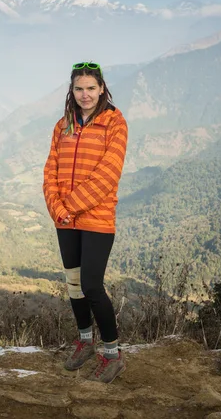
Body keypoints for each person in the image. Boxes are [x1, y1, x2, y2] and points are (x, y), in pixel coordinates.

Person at [43, 61, 128, 384]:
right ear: (72, 90)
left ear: (102, 89)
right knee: (74, 286)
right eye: (79, 88)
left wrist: (70, 207)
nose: (85, 94)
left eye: (91, 88)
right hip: (65, 219)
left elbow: (108, 175)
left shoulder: (115, 124)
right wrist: (57, 208)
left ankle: (112, 353)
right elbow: (50, 170)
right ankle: (84, 341)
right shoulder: (62, 125)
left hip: (96, 218)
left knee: (92, 286)